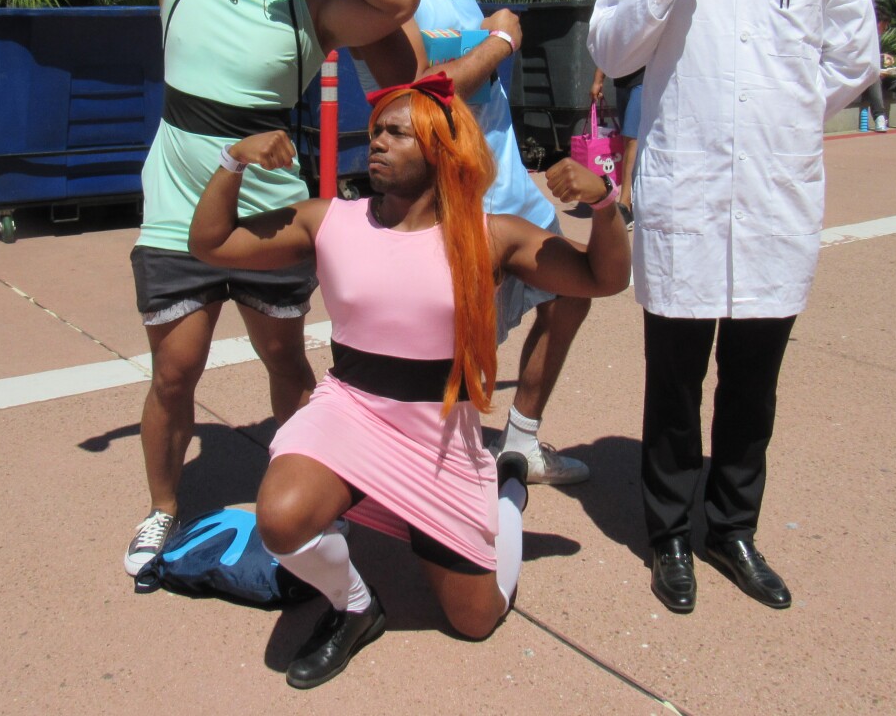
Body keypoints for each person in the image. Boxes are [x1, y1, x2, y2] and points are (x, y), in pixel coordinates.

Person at [0, 0, 420, 577]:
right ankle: (163, 511)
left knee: (286, 361)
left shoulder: (310, 11)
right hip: (178, 212)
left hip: (268, 217)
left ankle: (303, 495)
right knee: (174, 373)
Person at [187, 74, 629, 688]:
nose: (377, 143)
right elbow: (213, 243)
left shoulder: (490, 233)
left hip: (439, 433)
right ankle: (355, 608)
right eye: (375, 132)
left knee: (477, 620)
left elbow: (601, 279)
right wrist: (232, 159)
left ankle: (508, 493)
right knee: (281, 519)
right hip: (349, 412)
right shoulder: (330, 221)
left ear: (442, 147)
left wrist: (604, 203)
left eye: (398, 133)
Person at [587, 0, 879, 613]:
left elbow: (854, 59)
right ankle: (671, 534)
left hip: (775, 193)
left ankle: (732, 527)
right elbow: (610, 51)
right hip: (686, 187)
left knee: (753, 380)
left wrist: (782, 116)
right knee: (674, 380)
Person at [333, 0, 638, 486]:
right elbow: (424, 89)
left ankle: (522, 438)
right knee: (457, 343)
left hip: (507, 184)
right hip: (444, 197)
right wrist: (501, 37)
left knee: (575, 295)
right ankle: (438, 467)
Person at [589, 66, 643, 225]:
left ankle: (625, 202)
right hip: (622, 81)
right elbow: (609, 44)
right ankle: (631, 198)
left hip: (644, 80)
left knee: (631, 138)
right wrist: (598, 79)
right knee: (627, 139)